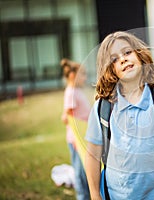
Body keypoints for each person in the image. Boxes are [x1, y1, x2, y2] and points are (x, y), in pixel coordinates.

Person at [85, 31, 154, 200]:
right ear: (111, 70)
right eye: (114, 59)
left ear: (139, 55)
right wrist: (95, 195)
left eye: (127, 52)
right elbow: (93, 156)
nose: (123, 59)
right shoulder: (102, 109)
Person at [61, 58, 90, 200]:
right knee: (80, 172)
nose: (85, 78)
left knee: (86, 169)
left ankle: (87, 194)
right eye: (82, 74)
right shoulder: (71, 92)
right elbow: (68, 115)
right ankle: (82, 196)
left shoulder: (76, 91)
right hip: (75, 139)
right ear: (73, 76)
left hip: (84, 137)